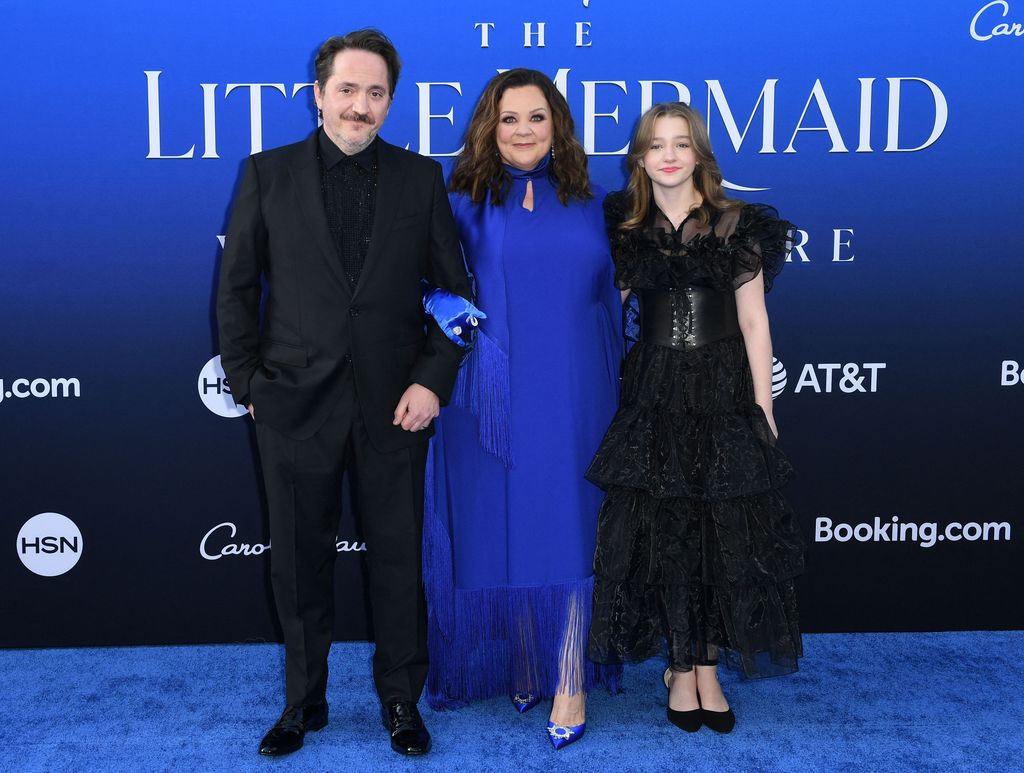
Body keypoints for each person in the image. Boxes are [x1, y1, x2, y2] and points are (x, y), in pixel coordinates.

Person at [216, 29, 471, 758]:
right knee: (298, 561)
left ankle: (400, 699)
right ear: (318, 93)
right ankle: (304, 701)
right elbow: (235, 292)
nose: (361, 106)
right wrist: (247, 383)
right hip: (293, 403)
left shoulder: (420, 179)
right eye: (348, 89)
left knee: (398, 559)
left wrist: (433, 379)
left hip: (396, 406)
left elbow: (457, 295)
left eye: (376, 92)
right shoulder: (267, 174)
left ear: (391, 100)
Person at [585, 102, 805, 734]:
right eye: (657, 146)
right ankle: (682, 669)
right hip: (653, 391)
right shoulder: (624, 228)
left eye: (682, 144)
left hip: (722, 390)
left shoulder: (738, 225)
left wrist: (764, 408)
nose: (670, 155)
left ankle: (707, 666)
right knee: (667, 531)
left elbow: (755, 321)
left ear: (701, 155)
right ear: (640, 159)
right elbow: (603, 312)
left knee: (719, 531)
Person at [423, 69, 622, 749]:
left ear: (558, 125)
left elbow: (622, 295)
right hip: (488, 391)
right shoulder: (459, 200)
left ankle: (569, 674)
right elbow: (414, 276)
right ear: (489, 125)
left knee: (568, 521)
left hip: (577, 387)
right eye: (509, 119)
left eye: (538, 117)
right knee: (506, 522)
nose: (524, 131)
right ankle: (530, 658)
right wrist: (438, 302)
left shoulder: (600, 202)